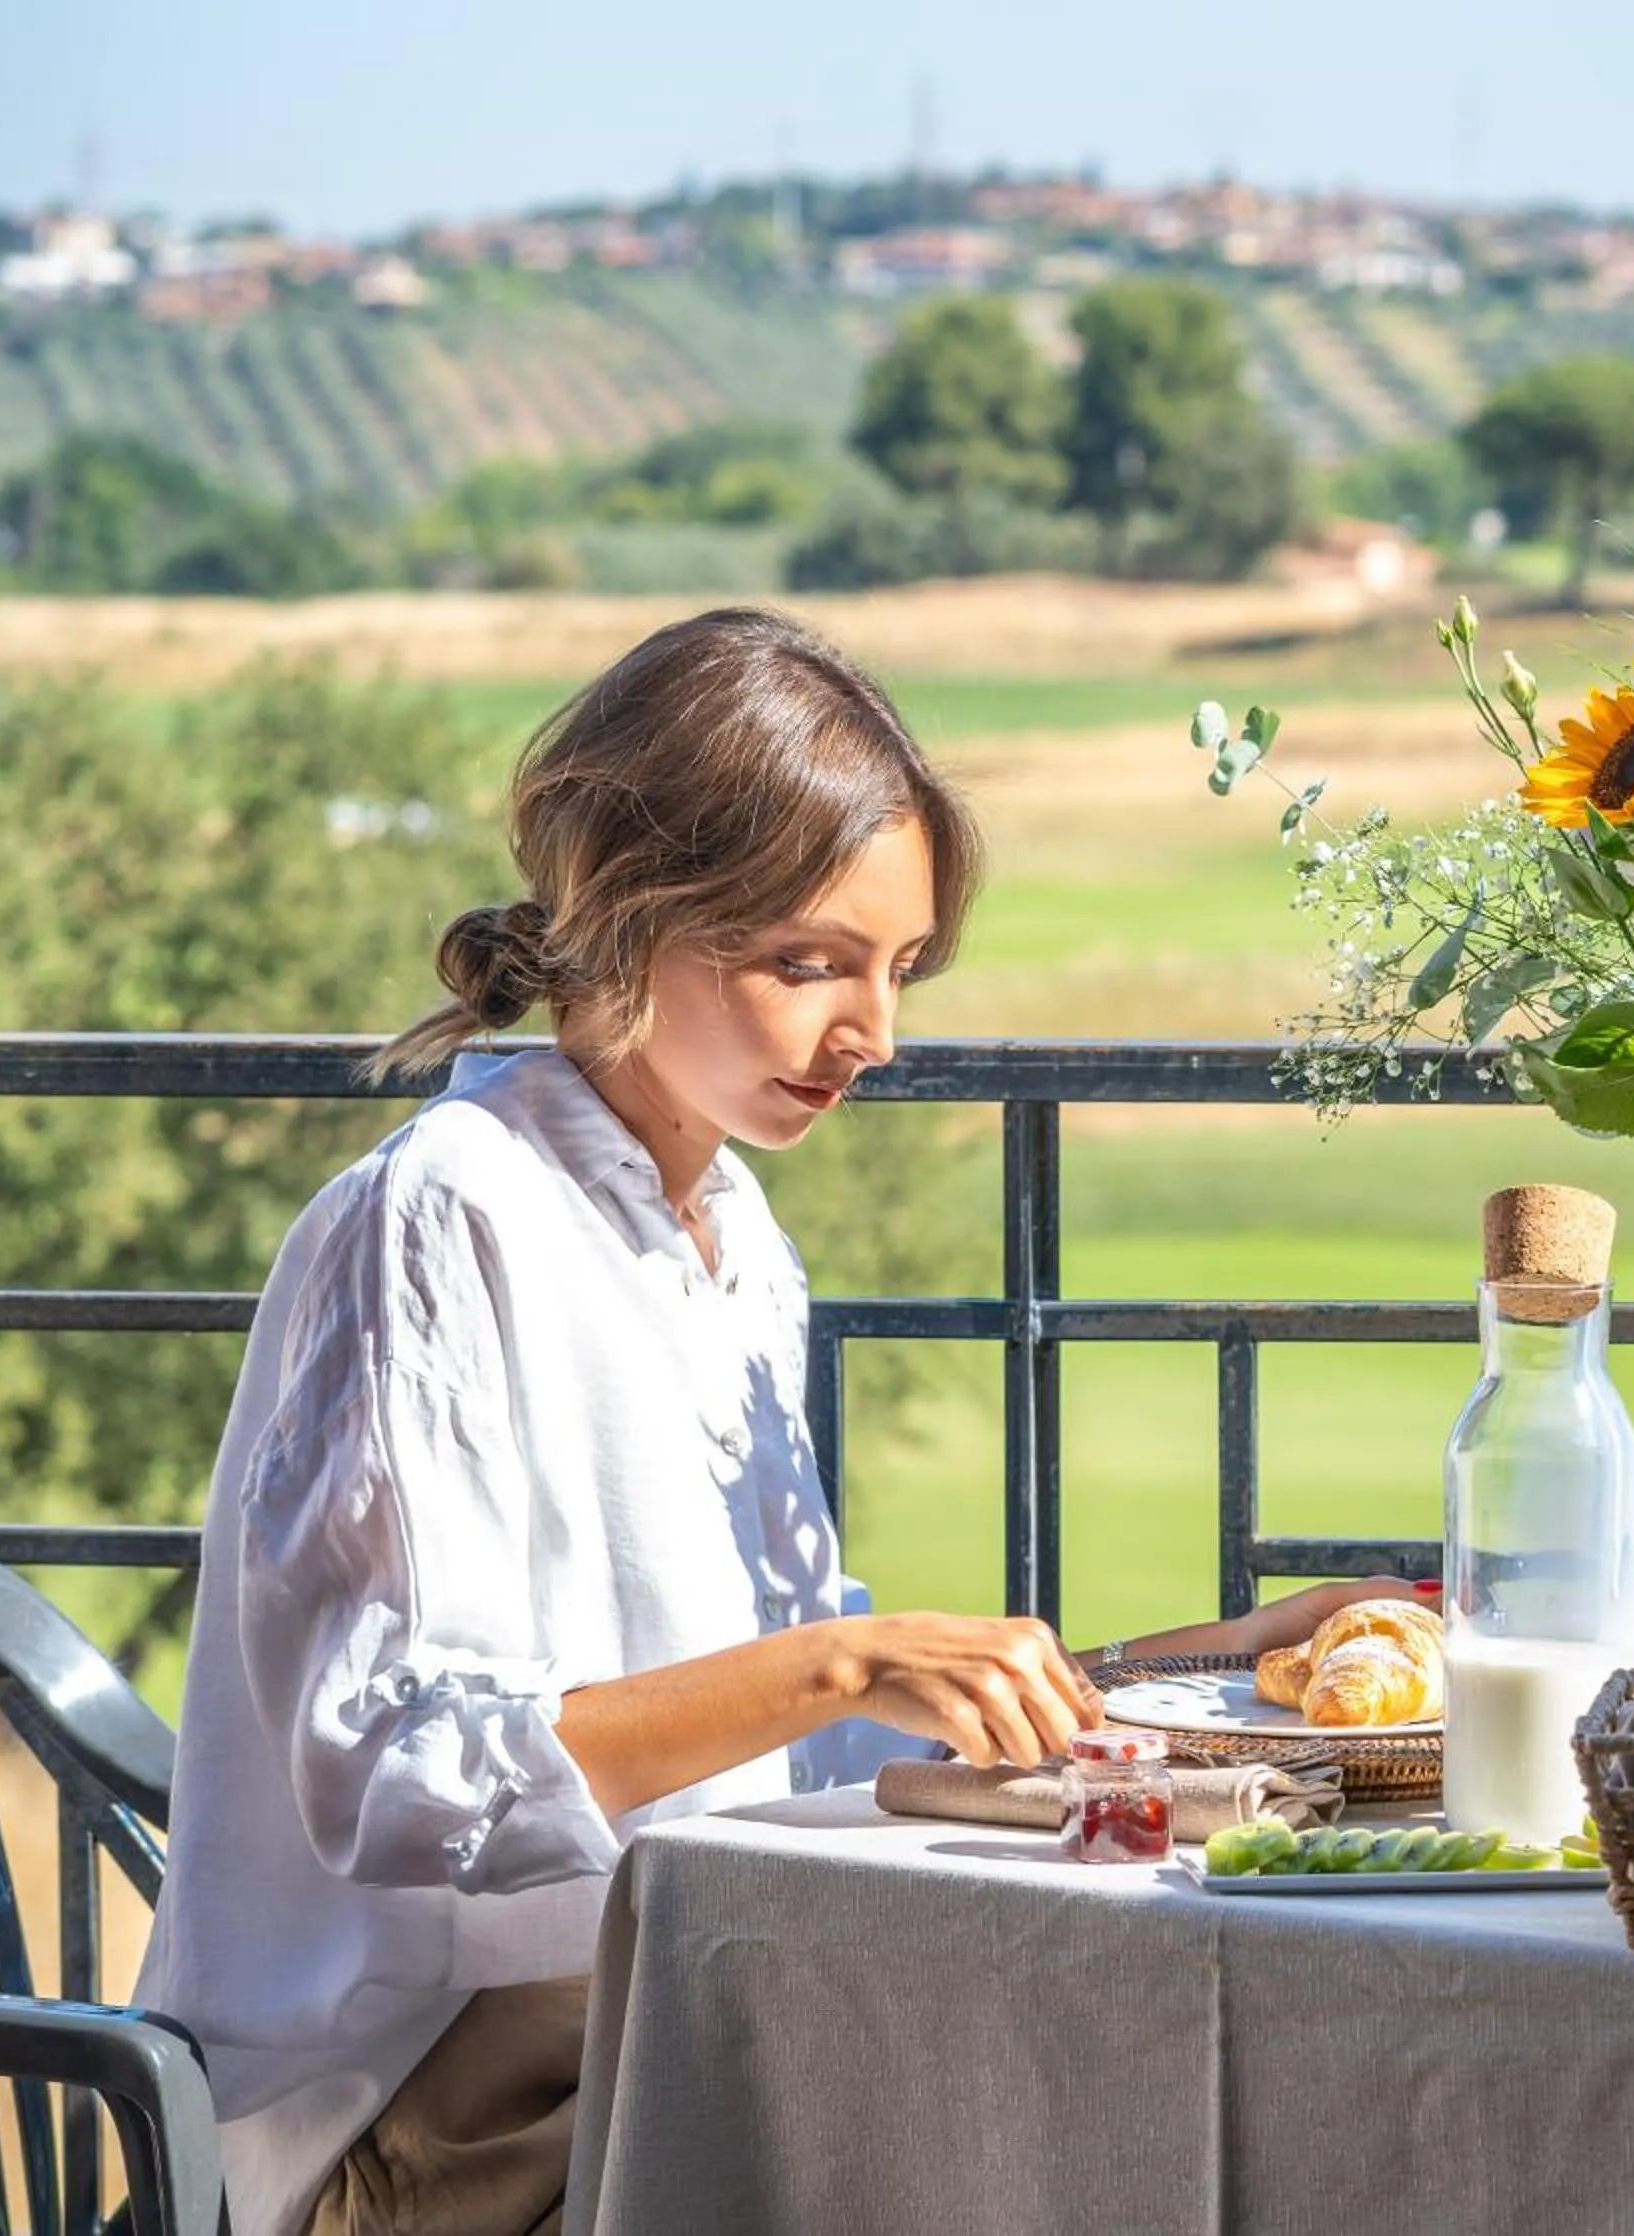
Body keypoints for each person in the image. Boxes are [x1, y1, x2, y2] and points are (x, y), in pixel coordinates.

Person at [132, 608, 1409, 2236]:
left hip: (688, 2022)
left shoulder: (731, 1242)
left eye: (898, 969)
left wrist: (1218, 1663)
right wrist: (846, 1661)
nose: (873, 1034)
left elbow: (798, 1749)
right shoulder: (438, 1220)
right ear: (625, 920)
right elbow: (398, 1768)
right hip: (429, 2132)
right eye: (806, 963)